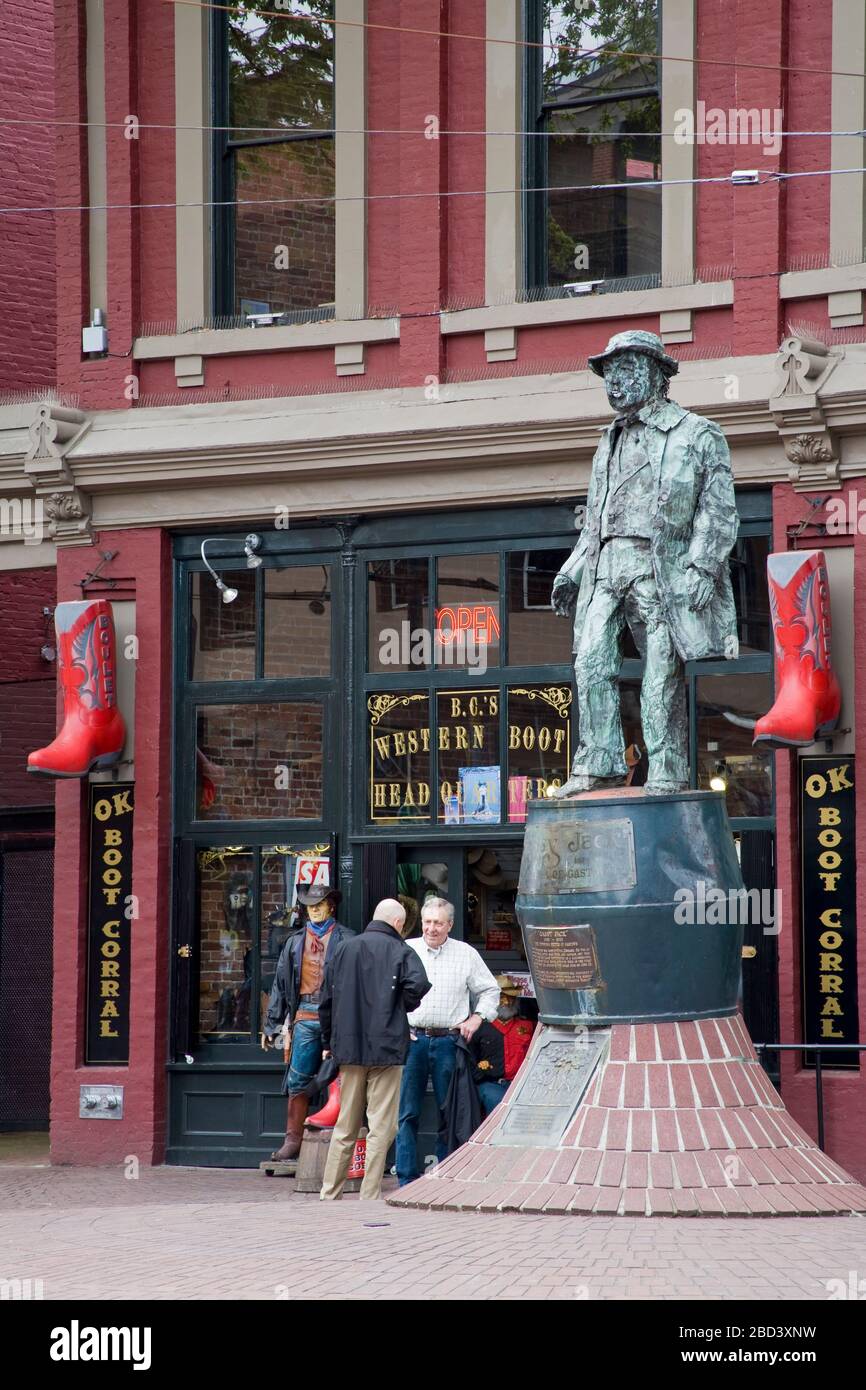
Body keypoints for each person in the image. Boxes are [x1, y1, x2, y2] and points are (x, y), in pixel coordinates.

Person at [551, 329, 739, 796]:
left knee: (660, 679)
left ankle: (668, 770)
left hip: (662, 570)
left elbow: (718, 509)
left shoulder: (696, 434)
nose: (614, 384)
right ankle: (600, 762)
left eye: (626, 371)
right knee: (591, 662)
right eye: (608, 375)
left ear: (657, 374)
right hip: (606, 568)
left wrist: (702, 567)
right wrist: (571, 570)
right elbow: (595, 520)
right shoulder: (606, 442)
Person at [318, 898, 431, 1201]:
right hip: (388, 1046)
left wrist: (328, 1043)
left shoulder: (342, 949)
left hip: (349, 1047)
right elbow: (418, 985)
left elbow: (325, 1001)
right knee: (382, 1126)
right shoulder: (401, 950)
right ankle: (369, 1194)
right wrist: (402, 1005)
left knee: (346, 1126)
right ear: (397, 923)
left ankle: (329, 1193)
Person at [396, 896, 500, 1185]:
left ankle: (443, 1177)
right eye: (428, 921)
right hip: (412, 1040)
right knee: (407, 1112)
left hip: (448, 1042)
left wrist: (477, 1018)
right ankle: (405, 1178)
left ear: (450, 925)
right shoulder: (406, 950)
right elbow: (387, 994)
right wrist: (397, 1027)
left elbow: (491, 990)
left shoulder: (465, 953)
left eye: (438, 923)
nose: (431, 928)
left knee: (448, 1113)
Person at [261, 885, 353, 1161]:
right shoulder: (294, 941)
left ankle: (338, 1141)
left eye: (319, 904)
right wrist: (272, 1024)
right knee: (298, 1077)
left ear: (331, 906)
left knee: (339, 1078)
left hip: (337, 1017)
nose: (314, 909)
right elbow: (279, 983)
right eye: (310, 905)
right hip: (304, 1015)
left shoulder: (348, 939)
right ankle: (293, 1139)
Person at [470, 975, 535, 1115]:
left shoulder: (529, 1026)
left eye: (510, 997)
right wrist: (482, 1070)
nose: (505, 1002)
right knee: (498, 1110)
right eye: (501, 997)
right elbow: (469, 1062)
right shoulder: (479, 1027)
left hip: (522, 1085)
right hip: (492, 1084)